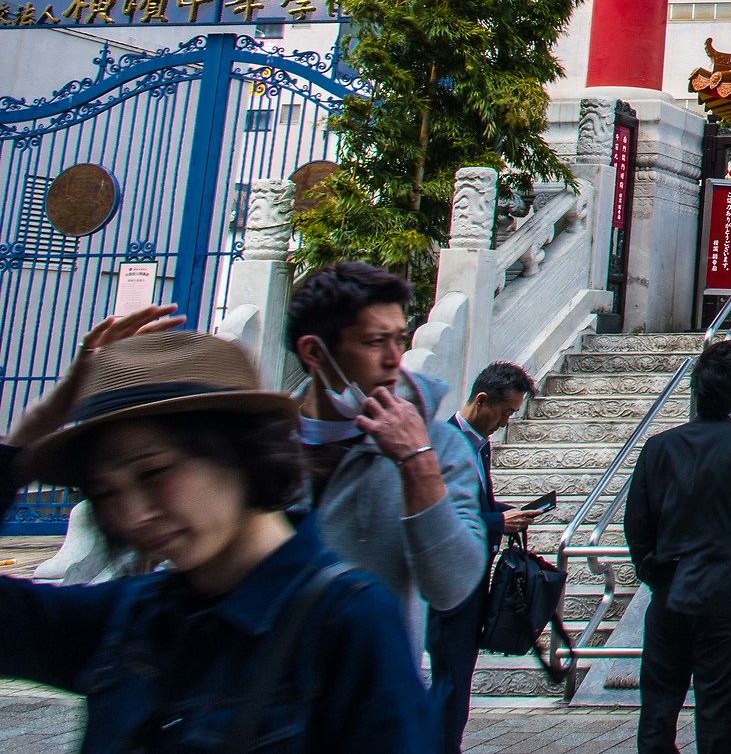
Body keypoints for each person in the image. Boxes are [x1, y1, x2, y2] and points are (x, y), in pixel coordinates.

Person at [0, 320, 433, 752]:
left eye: (154, 473)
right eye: (106, 492)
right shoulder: (128, 618)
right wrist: (43, 419)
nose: (133, 515)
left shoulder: (346, 622)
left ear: (241, 450)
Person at [286, 261, 490, 659]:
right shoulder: (265, 443)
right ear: (314, 352)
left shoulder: (440, 445)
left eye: (400, 339)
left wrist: (417, 464)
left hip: (370, 683)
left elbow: (453, 587)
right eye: (375, 341)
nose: (395, 359)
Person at [625, 338, 731, 754]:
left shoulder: (659, 447)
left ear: (697, 388)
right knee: (717, 709)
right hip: (725, 597)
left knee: (658, 707)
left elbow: (636, 521)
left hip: (670, 591)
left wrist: (652, 570)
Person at [428, 361, 542, 754]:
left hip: (473, 579)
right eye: (505, 412)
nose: (507, 421)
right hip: (450, 585)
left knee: (458, 678)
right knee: (451, 679)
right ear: (481, 400)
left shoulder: (480, 445)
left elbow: (475, 504)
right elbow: (440, 516)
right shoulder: (444, 444)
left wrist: (508, 513)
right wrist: (496, 522)